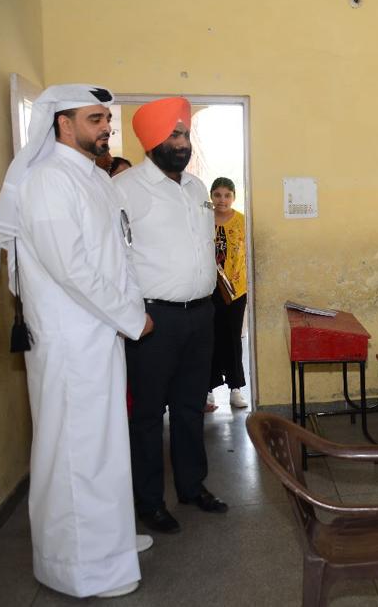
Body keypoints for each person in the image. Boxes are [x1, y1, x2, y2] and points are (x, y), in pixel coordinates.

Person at [0, 84, 154, 598]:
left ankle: (112, 542)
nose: (106, 127)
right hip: (69, 342)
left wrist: (131, 307)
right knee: (77, 451)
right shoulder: (46, 181)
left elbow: (117, 253)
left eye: (106, 119)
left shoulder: (95, 177)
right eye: (94, 119)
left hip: (99, 333)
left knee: (106, 445)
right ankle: (81, 568)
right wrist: (132, 316)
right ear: (63, 124)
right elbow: (71, 269)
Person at [115, 96, 228, 535]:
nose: (183, 143)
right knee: (147, 414)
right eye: (174, 135)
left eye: (185, 134)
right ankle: (149, 502)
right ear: (152, 141)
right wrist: (131, 313)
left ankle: (191, 486)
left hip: (200, 315)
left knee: (189, 406)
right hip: (153, 320)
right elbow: (113, 258)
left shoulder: (197, 188)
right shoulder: (124, 189)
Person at [207, 176, 249, 410]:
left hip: (235, 292)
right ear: (211, 196)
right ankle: (208, 389)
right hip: (206, 290)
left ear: (233, 197)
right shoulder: (202, 220)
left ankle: (236, 388)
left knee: (233, 339)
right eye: (217, 195)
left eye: (227, 195)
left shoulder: (243, 221)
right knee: (208, 338)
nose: (222, 200)